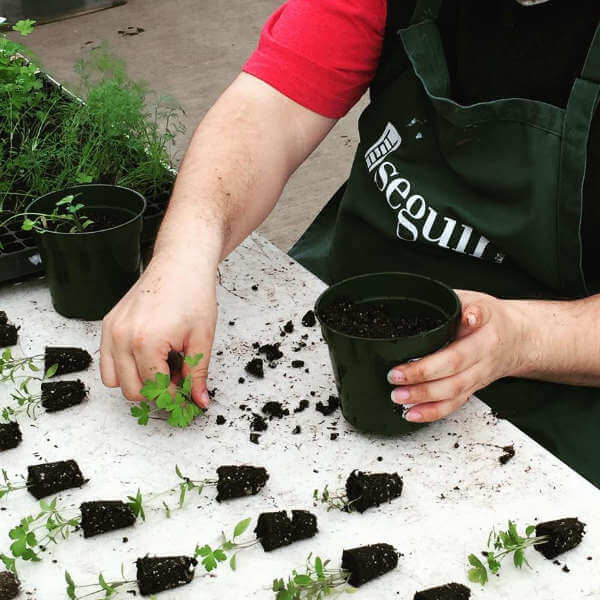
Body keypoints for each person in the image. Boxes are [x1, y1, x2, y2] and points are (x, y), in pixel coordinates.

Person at [100, 0, 600, 487]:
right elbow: (267, 110)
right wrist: (183, 258)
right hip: (354, 299)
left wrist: (522, 337)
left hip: (562, 364)